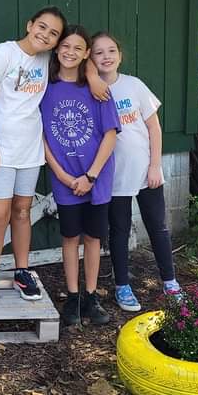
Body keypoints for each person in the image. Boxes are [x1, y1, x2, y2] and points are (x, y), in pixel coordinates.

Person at [0, 7, 110, 312]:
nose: (45, 35)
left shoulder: (47, 60)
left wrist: (93, 76)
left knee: (22, 211)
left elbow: (79, 56)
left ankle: (23, 272)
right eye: (42, 27)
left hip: (29, 149)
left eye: (53, 34)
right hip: (0, 149)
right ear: (29, 25)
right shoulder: (3, 54)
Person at [90, 32, 182, 312]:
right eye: (98, 52)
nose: (106, 56)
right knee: (118, 231)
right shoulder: (91, 91)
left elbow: (154, 127)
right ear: (90, 59)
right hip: (115, 177)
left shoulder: (134, 85)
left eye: (111, 51)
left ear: (120, 55)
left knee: (158, 227)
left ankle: (170, 282)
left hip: (145, 173)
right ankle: (122, 286)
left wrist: (155, 165)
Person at [41, 26, 121, 326]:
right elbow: (43, 138)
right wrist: (61, 174)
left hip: (96, 179)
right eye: (65, 46)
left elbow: (110, 135)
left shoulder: (96, 89)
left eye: (78, 47)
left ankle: (91, 295)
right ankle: (72, 297)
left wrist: (91, 175)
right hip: (65, 179)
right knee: (70, 236)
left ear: (86, 53)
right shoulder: (45, 89)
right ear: (56, 49)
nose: (70, 52)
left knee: (93, 238)